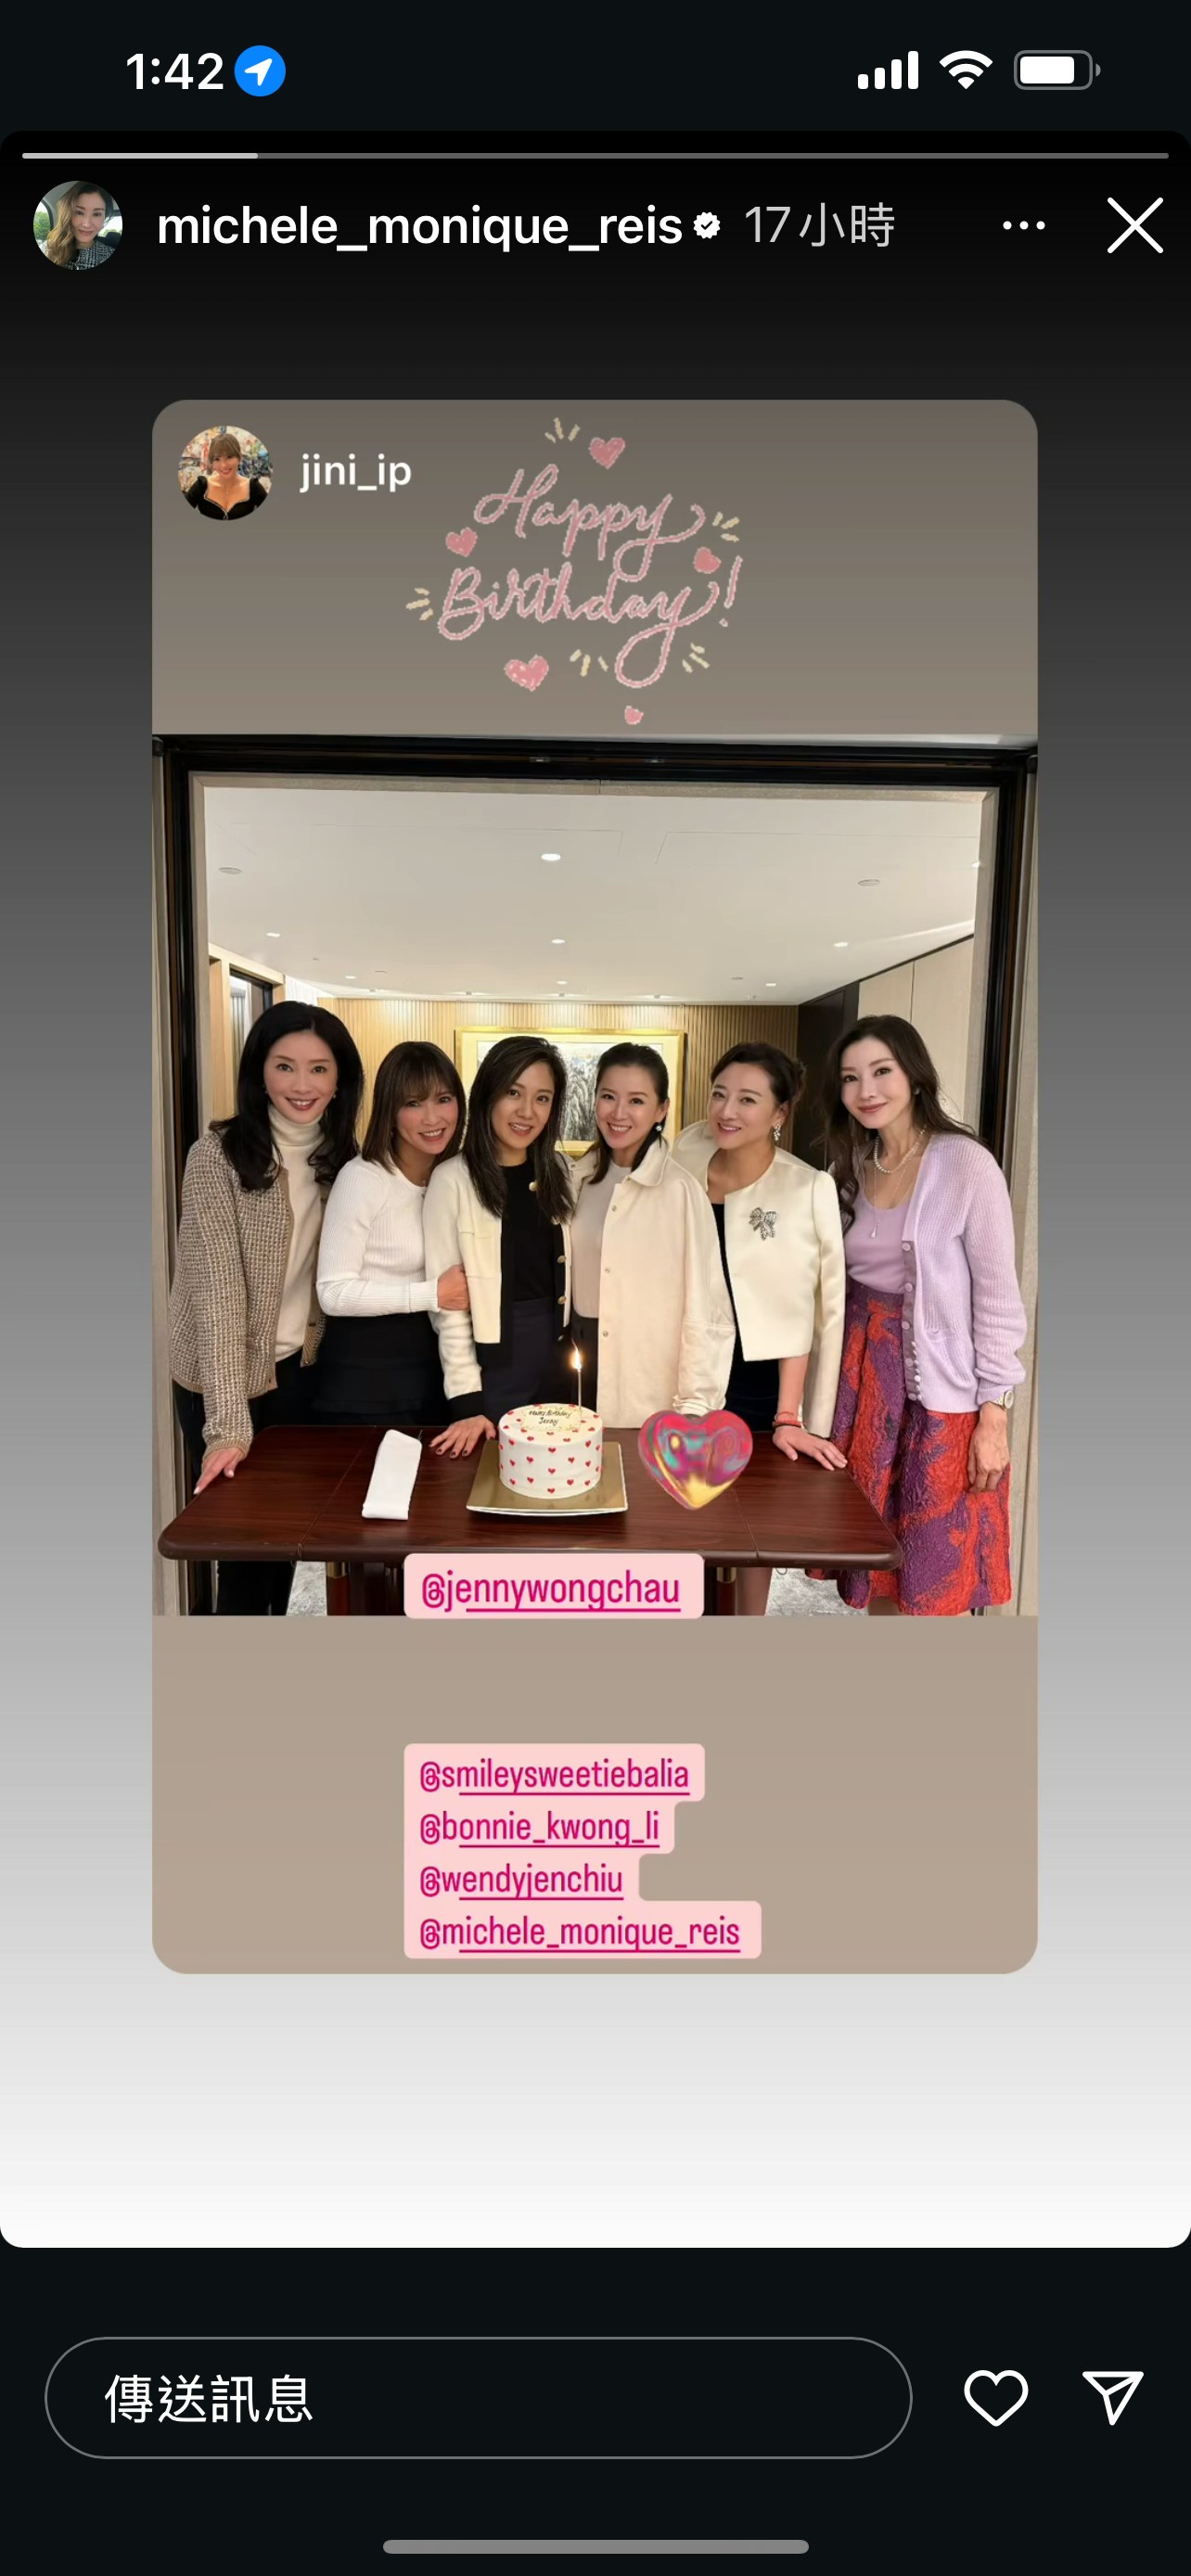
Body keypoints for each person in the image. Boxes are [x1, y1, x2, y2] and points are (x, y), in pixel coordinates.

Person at [820, 1014, 1027, 1615]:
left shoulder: (965, 1164)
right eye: (850, 1078)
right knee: (877, 1566)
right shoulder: (847, 1169)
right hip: (863, 1396)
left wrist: (994, 1416)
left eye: (881, 1071)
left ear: (914, 1075)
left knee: (931, 1575)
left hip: (942, 1400)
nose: (866, 1090)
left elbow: (997, 1298)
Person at [169, 1001, 364, 1613]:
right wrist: (228, 1426)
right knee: (241, 1548)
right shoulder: (216, 1156)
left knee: (280, 1544)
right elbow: (218, 1296)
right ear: (259, 1072)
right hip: (221, 1377)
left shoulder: (345, 1160)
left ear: (340, 1079)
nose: (302, 1085)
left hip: (299, 1376)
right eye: (285, 1066)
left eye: (318, 1068)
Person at [675, 1044, 847, 1614]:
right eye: (719, 1094)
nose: (727, 1111)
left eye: (748, 1100)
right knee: (680, 1516)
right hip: (685, 1371)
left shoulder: (805, 1188)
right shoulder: (684, 1155)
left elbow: (811, 1310)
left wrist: (791, 1416)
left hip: (757, 1381)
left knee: (752, 1528)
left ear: (780, 1112)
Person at [568, 1043, 735, 1427]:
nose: (618, 1113)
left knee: (635, 1462)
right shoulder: (578, 1178)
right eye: (608, 1096)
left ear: (661, 1109)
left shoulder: (680, 1191)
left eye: (637, 1101)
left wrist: (696, 1403)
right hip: (577, 1359)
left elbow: (706, 1305)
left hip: (645, 1370)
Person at [423, 1036, 573, 1458]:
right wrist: (467, 1402)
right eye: (513, 1093)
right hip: (492, 1371)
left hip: (556, 1368)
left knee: (554, 1477)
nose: (527, 1112)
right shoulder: (452, 1180)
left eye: (542, 1098)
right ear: (488, 1093)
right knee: (491, 1481)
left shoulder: (560, 1171)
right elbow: (448, 1308)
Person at [314, 1041, 470, 1425]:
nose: (432, 1117)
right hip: (366, 1378)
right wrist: (431, 1293)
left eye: (444, 1099)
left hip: (433, 1369)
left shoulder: (454, 1176)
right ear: (390, 1110)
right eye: (413, 1103)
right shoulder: (363, 1177)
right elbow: (332, 1292)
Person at [184, 433, 269, 521]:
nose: (223, 465)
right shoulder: (201, 486)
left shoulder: (253, 487)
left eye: (229, 457)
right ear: (212, 462)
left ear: (239, 458)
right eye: (217, 459)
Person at [41, 184, 118, 270]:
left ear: (104, 218)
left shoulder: (109, 254)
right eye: (79, 212)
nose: (87, 224)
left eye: (97, 214)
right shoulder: (47, 248)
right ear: (67, 215)